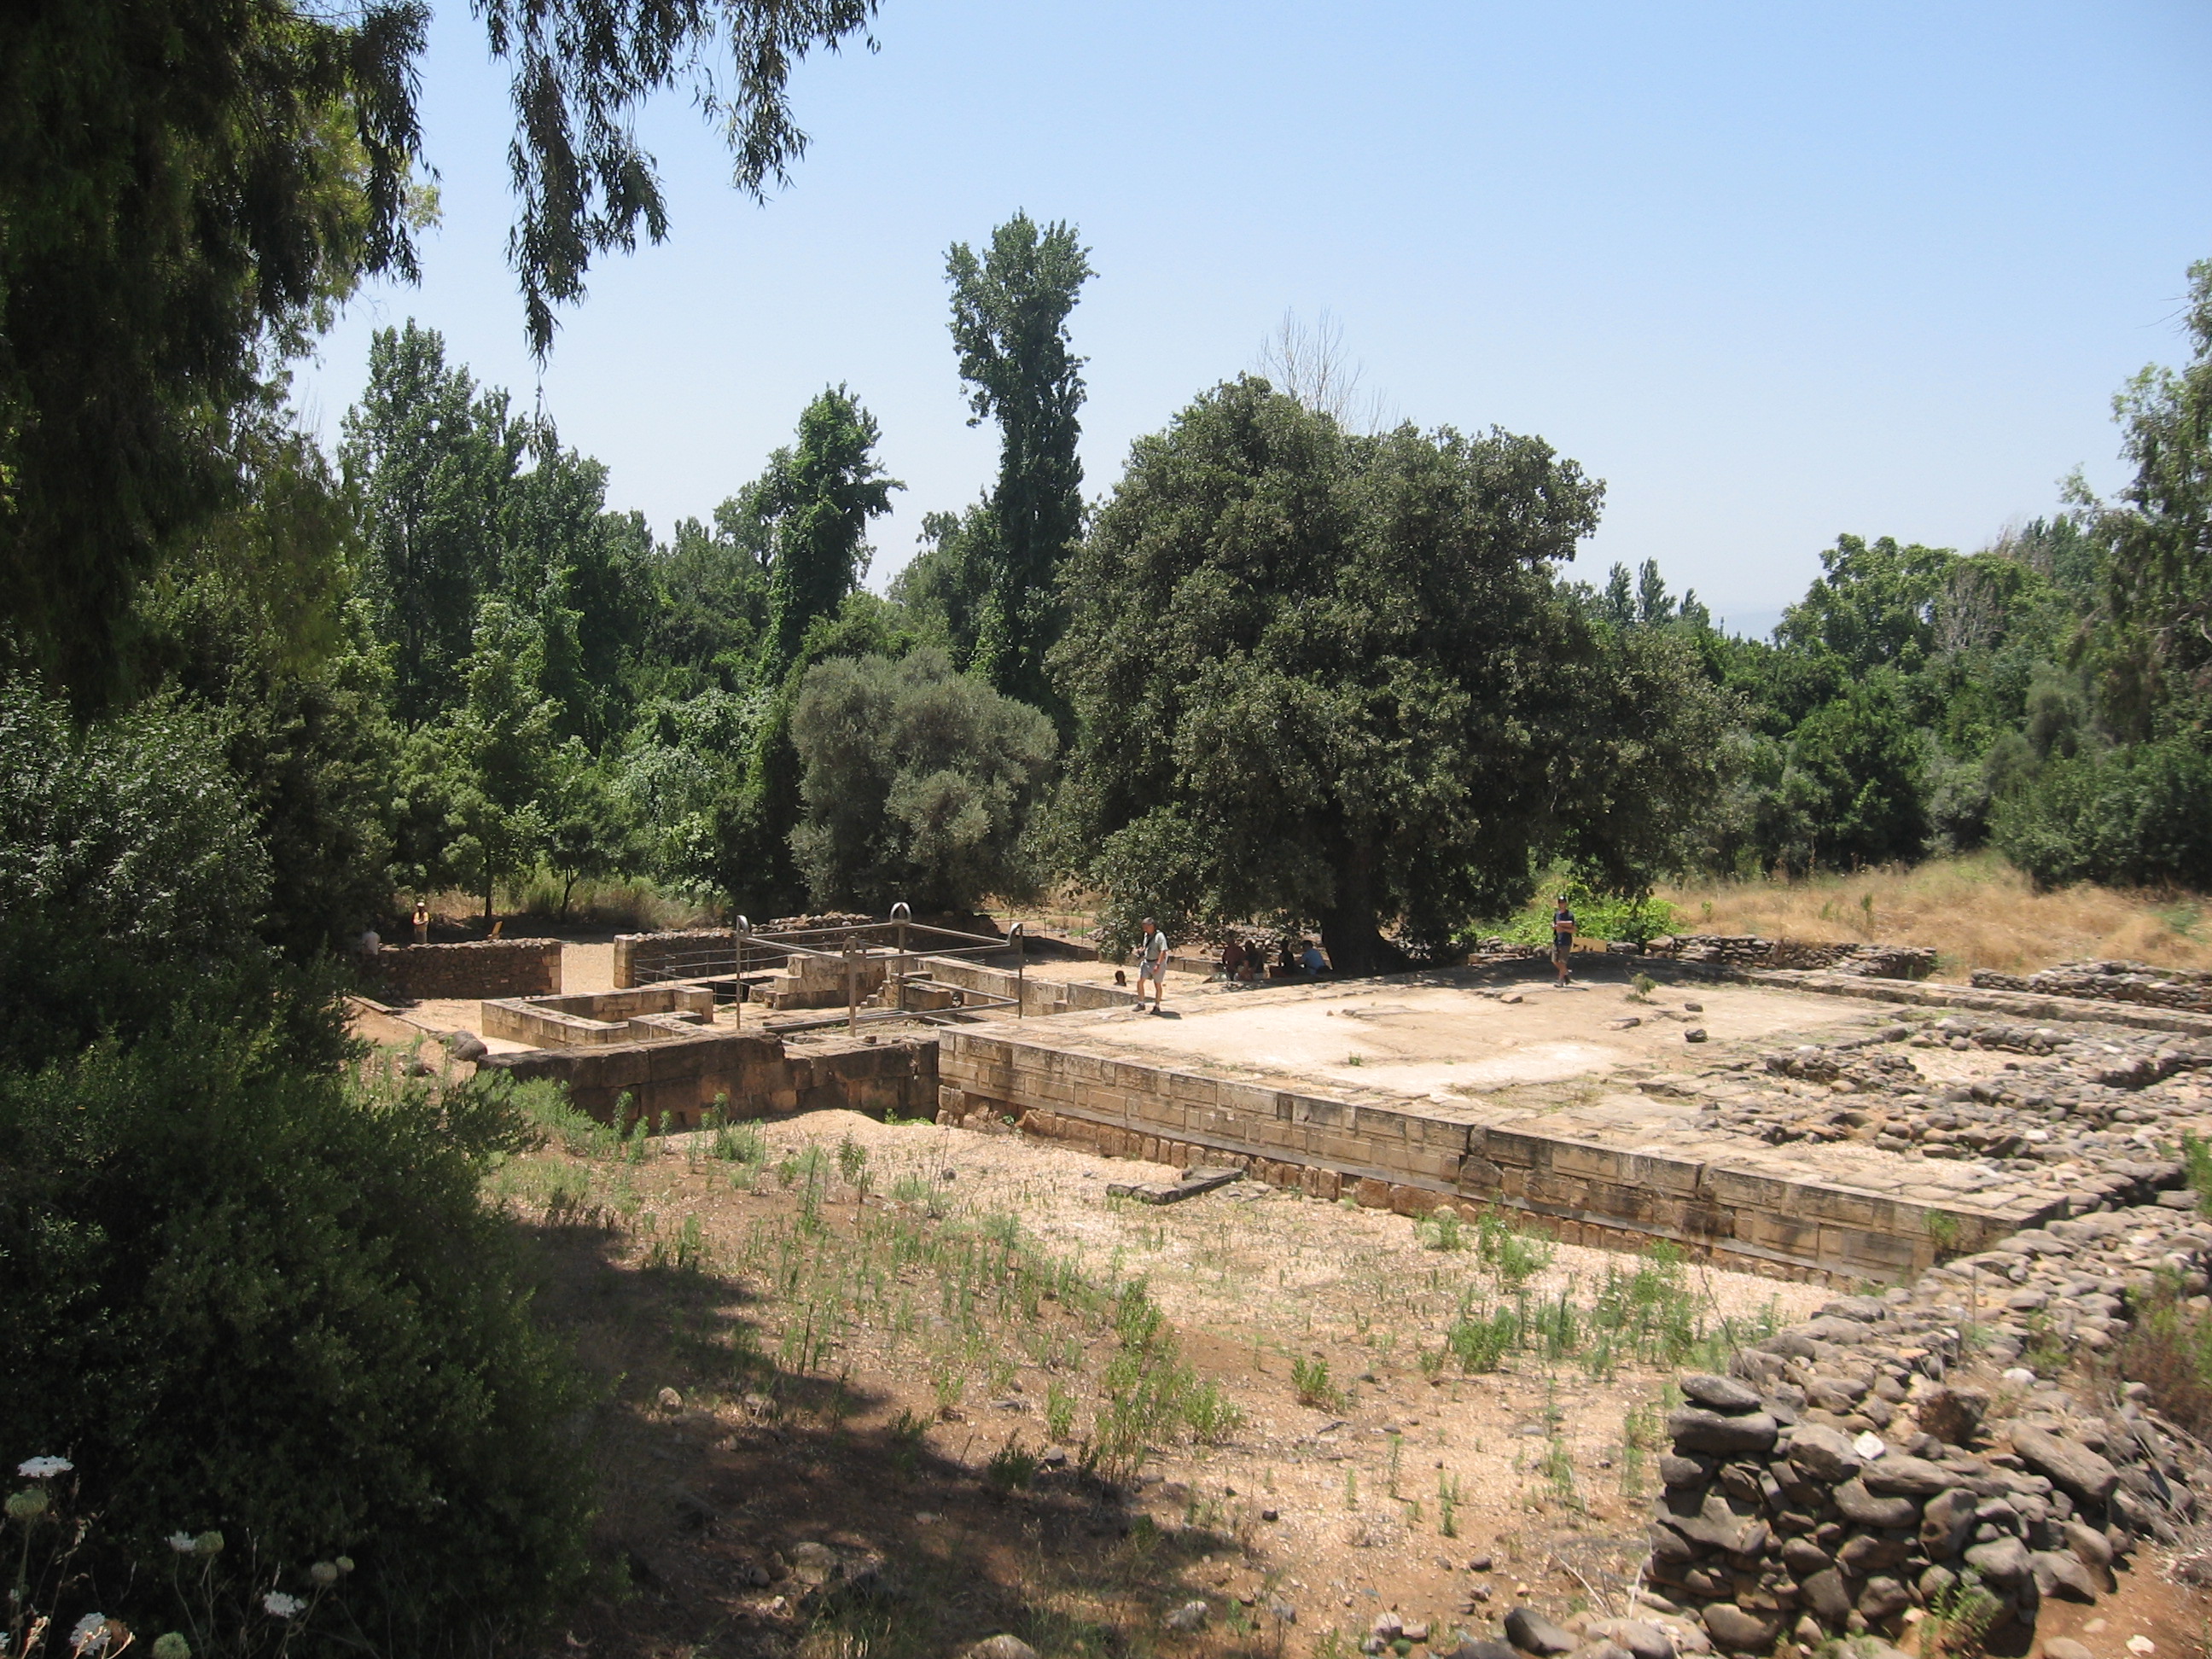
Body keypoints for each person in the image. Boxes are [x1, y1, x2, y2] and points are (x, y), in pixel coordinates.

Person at [1135, 917, 1169, 1012]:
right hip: (1147, 961)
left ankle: (1157, 1005)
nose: (1144, 929)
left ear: (1152, 926)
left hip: (1156, 962)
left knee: (1157, 984)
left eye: (1146, 927)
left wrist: (1158, 964)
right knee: (1140, 981)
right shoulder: (1146, 935)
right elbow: (1146, 946)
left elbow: (1163, 951)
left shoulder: (1160, 936)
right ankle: (1141, 1003)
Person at [1551, 894, 1576, 986]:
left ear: (1566, 903)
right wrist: (1554, 927)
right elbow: (1554, 924)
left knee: (1562, 961)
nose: (1561, 904)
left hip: (1566, 941)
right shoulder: (1556, 914)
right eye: (1560, 902)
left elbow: (1574, 929)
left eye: (1563, 902)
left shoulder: (1570, 915)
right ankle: (1566, 973)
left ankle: (1560, 981)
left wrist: (1564, 930)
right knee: (1555, 961)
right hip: (1557, 940)